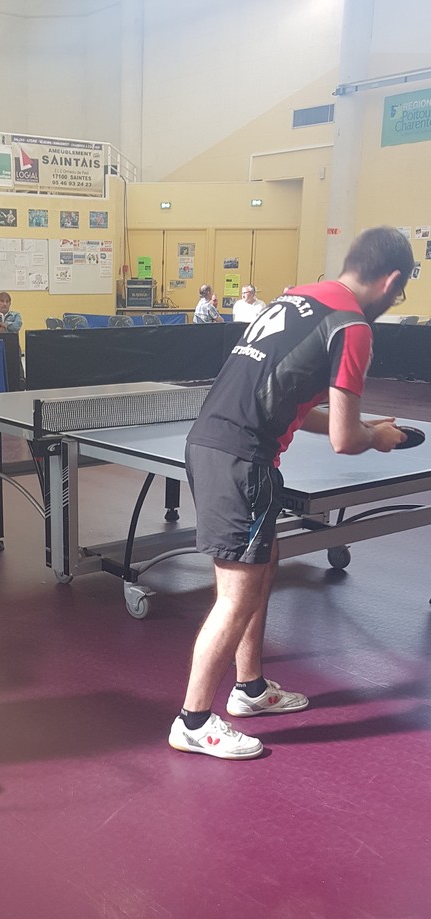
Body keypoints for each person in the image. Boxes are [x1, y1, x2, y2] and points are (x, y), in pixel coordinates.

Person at [169, 226, 415, 759]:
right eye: (400, 292)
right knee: (236, 596)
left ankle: (251, 688)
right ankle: (193, 721)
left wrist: (364, 424)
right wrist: (377, 437)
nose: (395, 299)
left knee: (265, 566)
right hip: (241, 459)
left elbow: (289, 401)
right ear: (392, 280)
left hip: (217, 446)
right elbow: (345, 441)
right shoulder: (353, 327)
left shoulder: (302, 296)